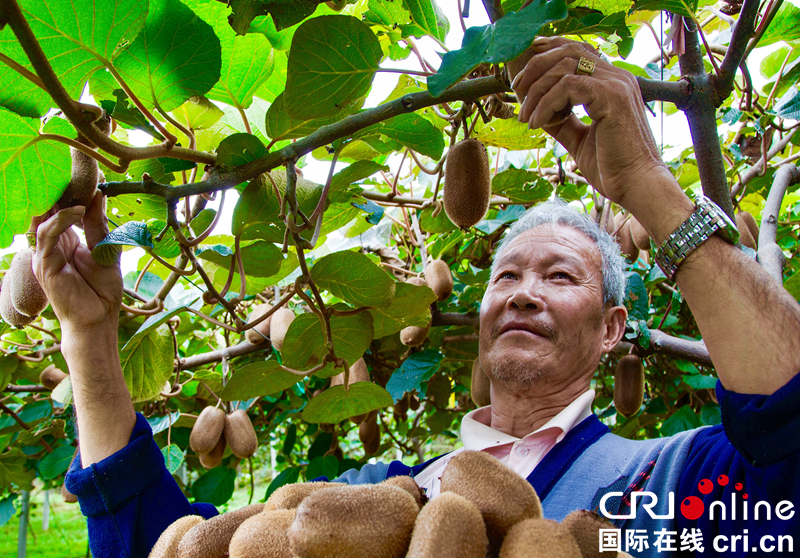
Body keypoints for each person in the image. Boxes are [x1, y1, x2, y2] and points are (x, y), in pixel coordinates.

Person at [33, 37, 800, 557]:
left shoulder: (669, 491)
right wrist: (92, 340)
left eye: (559, 277)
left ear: (612, 330)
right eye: (505, 276)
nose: (523, 293)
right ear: (481, 316)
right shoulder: (372, 500)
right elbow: (180, 545)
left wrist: (648, 189)